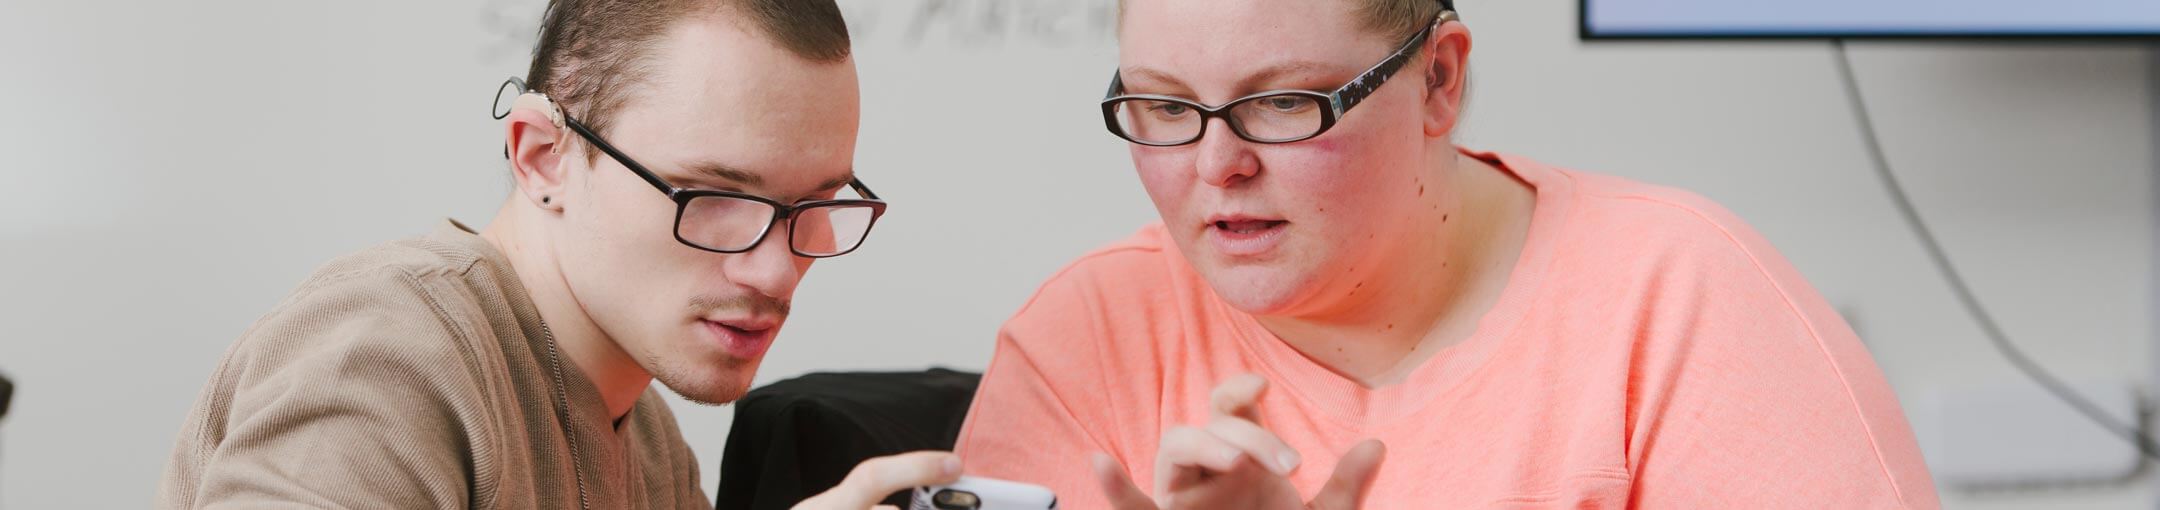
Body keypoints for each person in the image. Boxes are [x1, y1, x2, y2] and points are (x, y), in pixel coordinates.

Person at [955, 0, 1941, 508]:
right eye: (1166, 107)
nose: (1218, 165)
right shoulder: (1085, 342)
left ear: (1437, 79)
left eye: (1284, 103)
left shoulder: (1681, 298)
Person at [158, 0, 961, 508]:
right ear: (543, 155)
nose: (776, 270)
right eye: (714, 197)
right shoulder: (386, 357)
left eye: (815, 207)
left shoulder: (649, 444)